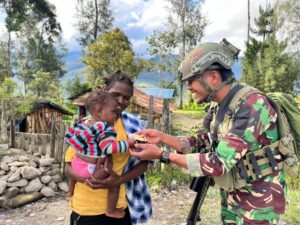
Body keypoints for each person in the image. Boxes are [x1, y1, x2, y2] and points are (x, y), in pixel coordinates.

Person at [130, 39, 286, 225]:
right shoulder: (218, 106)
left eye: (191, 79)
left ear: (213, 76)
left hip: (260, 202)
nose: (188, 87)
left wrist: (163, 155)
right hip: (232, 195)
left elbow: (218, 163)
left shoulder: (252, 106)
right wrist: (161, 137)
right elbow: (199, 141)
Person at [65, 70, 152, 225]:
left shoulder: (134, 125)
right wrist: (87, 180)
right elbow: (68, 166)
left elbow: (144, 163)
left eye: (126, 98)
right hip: (87, 210)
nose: (120, 101)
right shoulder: (88, 124)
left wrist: (117, 181)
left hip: (121, 207)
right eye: (115, 94)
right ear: (105, 92)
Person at [64, 91, 136, 218]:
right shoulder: (104, 128)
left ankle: (70, 190)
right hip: (91, 169)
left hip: (76, 163)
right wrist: (128, 143)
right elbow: (109, 148)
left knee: (74, 176)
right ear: (99, 111)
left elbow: (72, 140)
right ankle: (111, 210)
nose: (115, 115)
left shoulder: (83, 123)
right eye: (113, 112)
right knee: (114, 185)